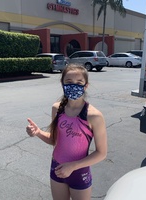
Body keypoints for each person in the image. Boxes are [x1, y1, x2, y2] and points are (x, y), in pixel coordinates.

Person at [26, 63, 107, 200]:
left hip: (79, 172)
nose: (73, 85)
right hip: (57, 168)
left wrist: (73, 166)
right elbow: (55, 140)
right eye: (69, 82)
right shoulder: (57, 109)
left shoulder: (94, 116)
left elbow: (102, 153)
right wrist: (38, 132)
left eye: (79, 82)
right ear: (62, 84)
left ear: (85, 85)